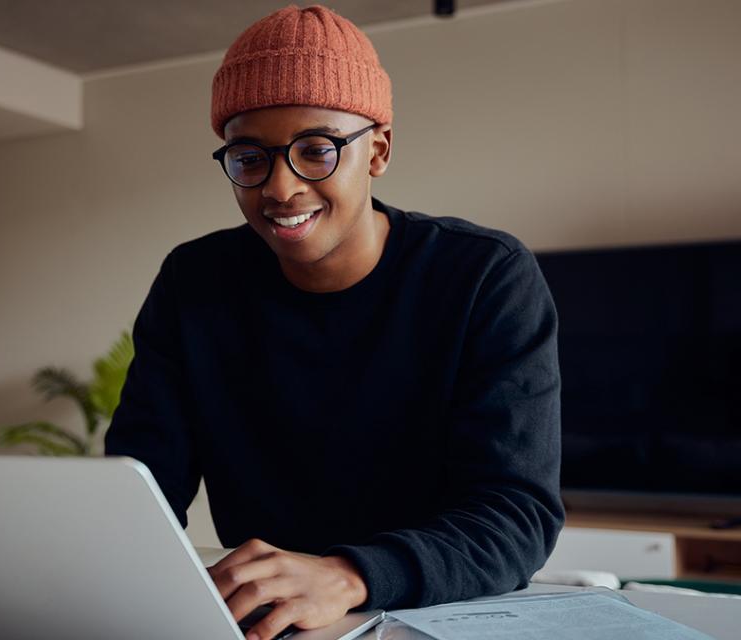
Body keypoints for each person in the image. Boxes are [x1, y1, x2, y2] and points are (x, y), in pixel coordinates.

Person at [105, 5, 564, 640]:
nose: (280, 187)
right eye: (249, 158)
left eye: (316, 151)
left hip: (432, 615)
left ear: (377, 151)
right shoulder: (194, 281)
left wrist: (349, 574)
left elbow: (517, 515)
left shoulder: (485, 275)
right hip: (271, 625)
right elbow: (143, 487)